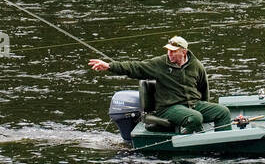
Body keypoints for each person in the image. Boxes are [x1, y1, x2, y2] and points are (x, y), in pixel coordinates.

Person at [88, 36, 231, 134]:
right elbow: (135, 67)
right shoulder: (160, 64)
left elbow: (203, 88)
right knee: (195, 118)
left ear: (184, 52)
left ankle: (224, 142)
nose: (169, 53)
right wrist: (109, 66)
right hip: (169, 108)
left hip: (193, 104)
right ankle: (191, 139)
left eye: (173, 51)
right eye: (168, 50)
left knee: (223, 112)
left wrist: (204, 105)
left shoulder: (196, 65)